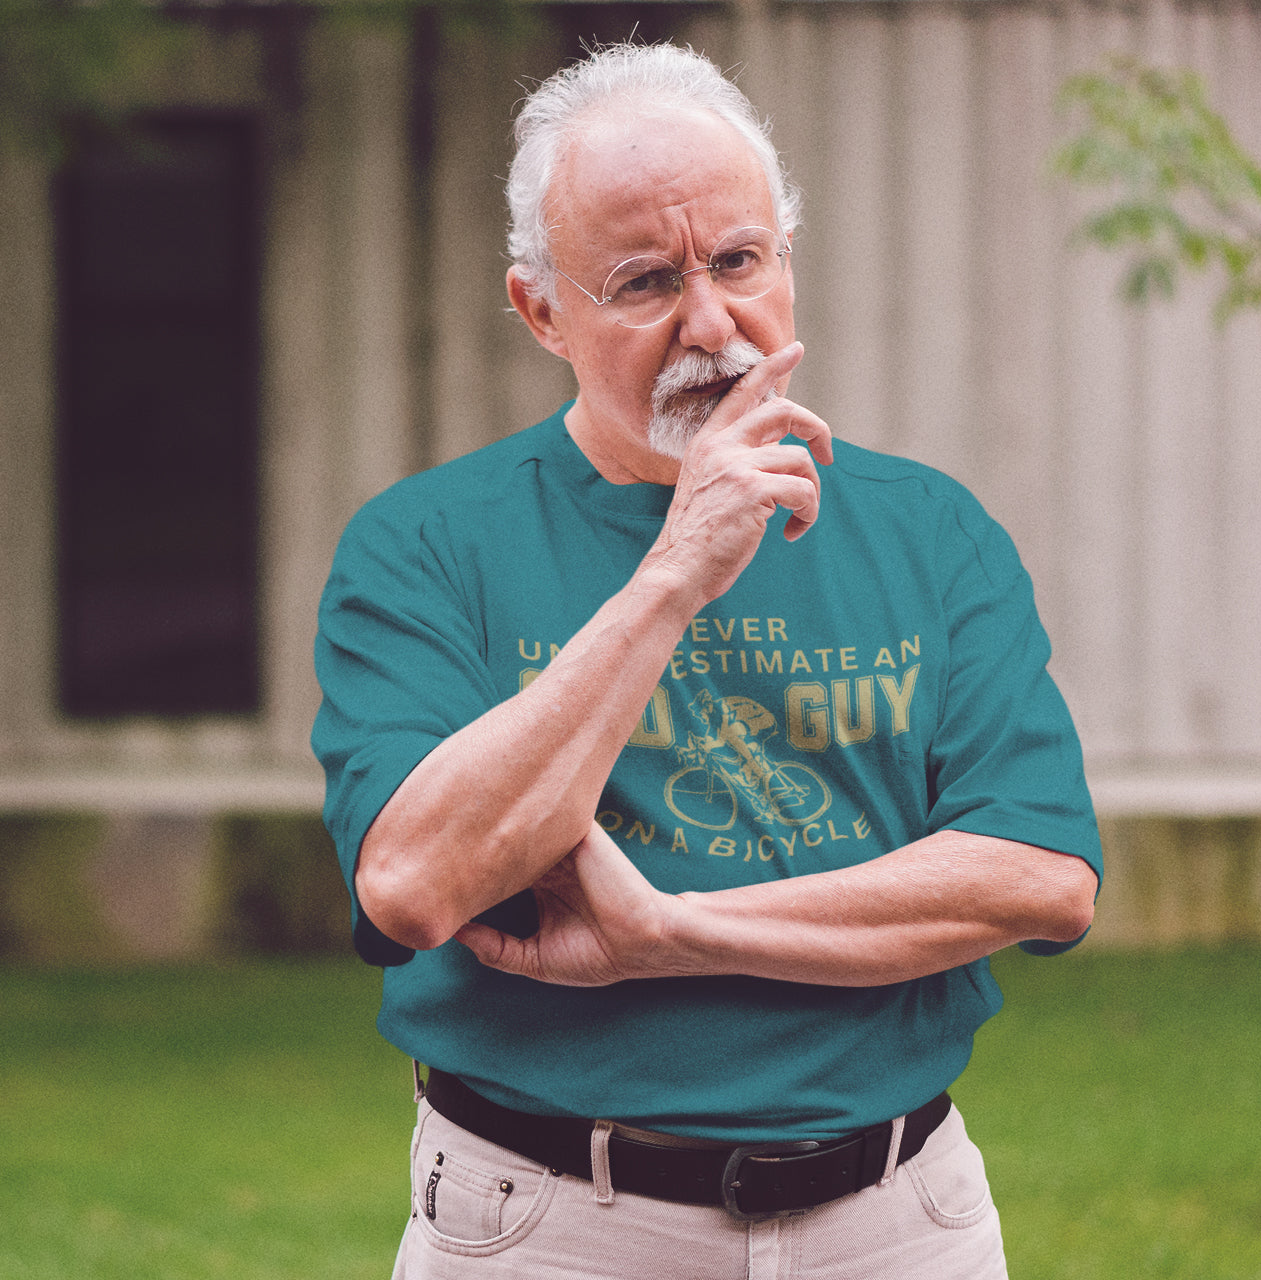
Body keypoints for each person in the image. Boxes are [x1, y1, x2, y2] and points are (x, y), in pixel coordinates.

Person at [312, 41, 1102, 1280]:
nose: (709, 321)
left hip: (897, 1218)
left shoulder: (929, 530)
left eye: (738, 261)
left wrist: (669, 931)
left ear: (786, 260)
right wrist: (671, 573)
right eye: (641, 281)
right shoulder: (427, 545)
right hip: (549, 1222)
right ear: (541, 312)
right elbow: (414, 881)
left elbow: (1038, 876)